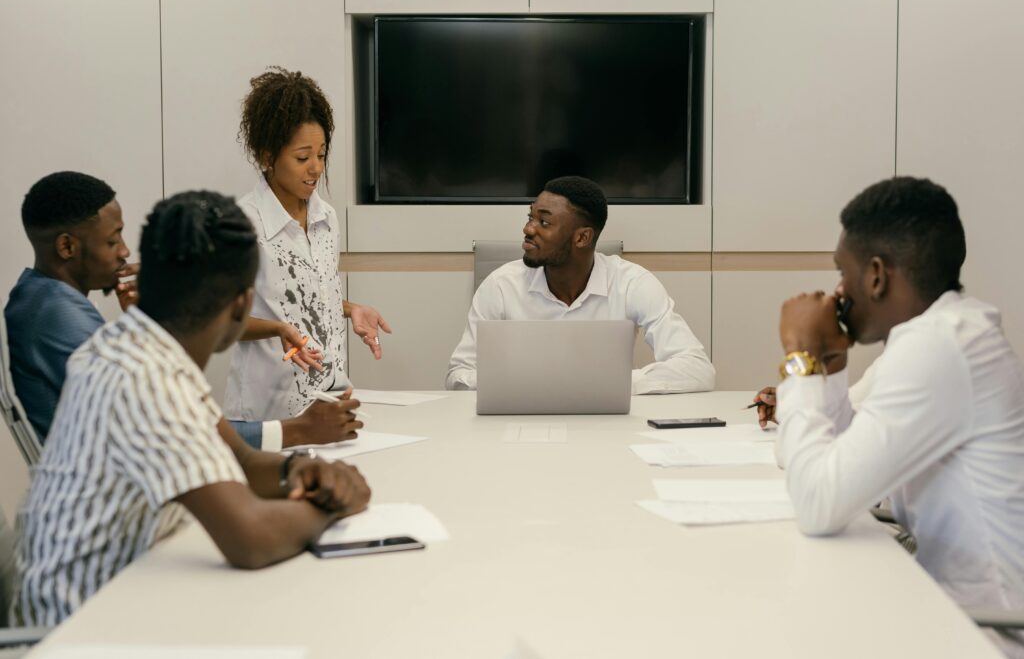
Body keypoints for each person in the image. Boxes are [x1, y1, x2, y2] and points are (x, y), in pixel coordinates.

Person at [12, 191, 371, 626]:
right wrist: (333, 506)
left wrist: (296, 473)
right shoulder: (148, 377)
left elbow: (237, 459)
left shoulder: (136, 344)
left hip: (116, 594)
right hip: (80, 627)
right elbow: (251, 539)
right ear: (242, 305)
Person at [764, 177, 1024, 657]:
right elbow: (824, 462)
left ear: (877, 275)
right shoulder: (941, 334)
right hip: (946, 609)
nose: (839, 292)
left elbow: (818, 504)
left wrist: (800, 354)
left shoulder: (939, 346)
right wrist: (830, 365)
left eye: (844, 273)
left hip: (988, 634)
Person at [4, 171, 351, 450]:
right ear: (66, 246)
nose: (125, 251)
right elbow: (165, 429)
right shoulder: (58, 316)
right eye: (113, 241)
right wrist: (295, 431)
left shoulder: (40, 299)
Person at [225, 67, 391, 422]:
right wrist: (277, 330)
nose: (315, 168)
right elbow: (221, 319)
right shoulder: (241, 223)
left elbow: (301, 291)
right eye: (303, 158)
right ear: (268, 156)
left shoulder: (326, 217)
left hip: (329, 403)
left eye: (321, 154)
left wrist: (349, 308)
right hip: (268, 417)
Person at [446, 175, 715, 394]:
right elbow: (458, 376)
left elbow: (697, 368)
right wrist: (522, 384)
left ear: (582, 238)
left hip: (607, 428)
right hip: (521, 425)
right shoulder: (501, 286)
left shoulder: (632, 283)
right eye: (530, 217)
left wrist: (612, 384)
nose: (529, 229)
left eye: (544, 222)